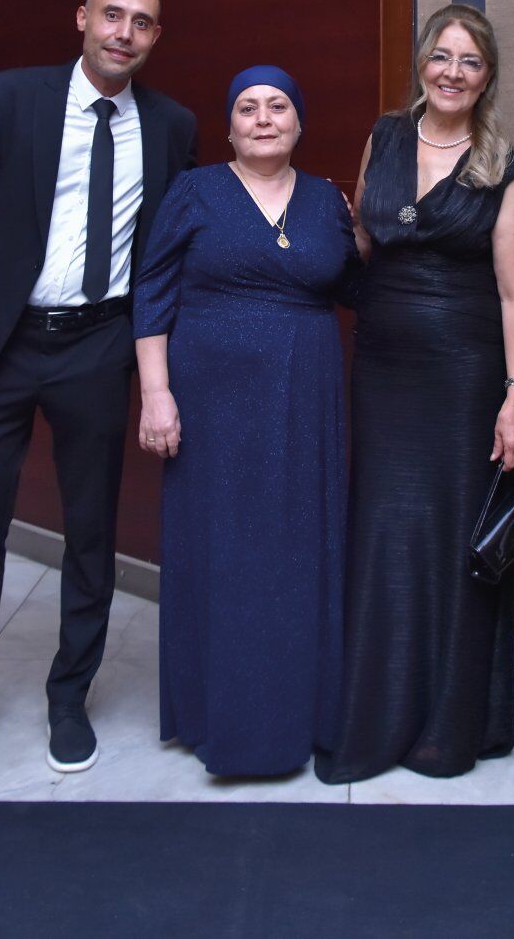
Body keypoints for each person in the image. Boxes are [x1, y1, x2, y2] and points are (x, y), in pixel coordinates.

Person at [0, 0, 196, 777]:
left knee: (91, 531)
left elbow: (172, 249)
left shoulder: (171, 127)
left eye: (141, 22)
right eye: (112, 15)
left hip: (96, 346)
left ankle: (70, 697)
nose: (123, 32)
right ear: (82, 19)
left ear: (155, 38)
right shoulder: (10, 99)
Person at [315, 3, 514, 784]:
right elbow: (364, 244)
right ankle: (377, 713)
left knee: (449, 536)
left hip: (464, 373)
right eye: (442, 56)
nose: (452, 72)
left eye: (470, 61)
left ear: (487, 76)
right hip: (382, 367)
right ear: (421, 62)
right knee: (384, 530)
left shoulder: (503, 164)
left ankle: (448, 725)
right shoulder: (384, 137)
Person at [133, 66, 360, 777]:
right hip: (212, 403)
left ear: (299, 123)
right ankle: (220, 721)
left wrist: (378, 234)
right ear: (229, 129)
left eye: (278, 106)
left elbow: (360, 288)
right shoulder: (194, 191)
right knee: (224, 551)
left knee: (298, 552)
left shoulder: (326, 201)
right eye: (247, 108)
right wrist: (156, 393)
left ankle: (303, 716)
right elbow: (152, 293)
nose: (263, 118)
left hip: (308, 401)